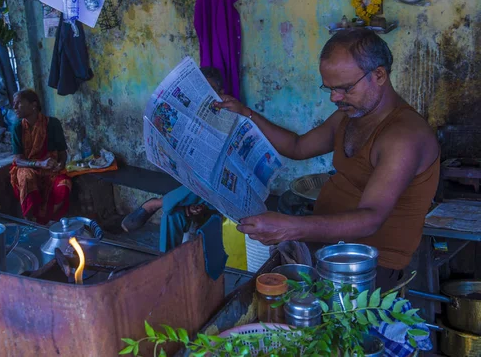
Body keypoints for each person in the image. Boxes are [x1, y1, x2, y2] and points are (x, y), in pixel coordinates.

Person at [215, 29, 440, 290]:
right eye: (329, 89)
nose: (335, 98)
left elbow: (370, 219)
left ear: (379, 75)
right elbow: (297, 147)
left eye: (344, 88)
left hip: (367, 267)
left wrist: (292, 227)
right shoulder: (349, 116)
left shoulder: (403, 136)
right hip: (327, 250)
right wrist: (246, 113)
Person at [122, 67, 224, 252]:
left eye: (212, 91)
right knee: (172, 215)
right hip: (194, 191)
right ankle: (166, 263)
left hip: (219, 191)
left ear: (220, 93)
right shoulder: (191, 119)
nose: (207, 97)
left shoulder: (228, 118)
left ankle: (156, 204)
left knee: (205, 185)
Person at [9, 89, 72, 224]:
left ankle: (47, 220)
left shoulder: (53, 124)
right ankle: (29, 221)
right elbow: (18, 160)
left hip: (49, 168)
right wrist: (39, 164)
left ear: (34, 105)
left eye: (19, 103)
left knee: (64, 185)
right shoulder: (17, 128)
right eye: (14, 104)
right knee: (27, 178)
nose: (14, 107)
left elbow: (62, 153)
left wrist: (60, 164)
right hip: (27, 166)